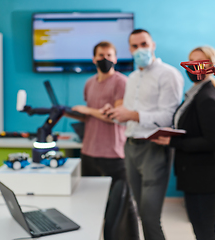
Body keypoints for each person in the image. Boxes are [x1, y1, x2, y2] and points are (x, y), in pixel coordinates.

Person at [104, 29, 184, 240]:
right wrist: (116, 114)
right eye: (135, 46)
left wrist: (134, 114)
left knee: (150, 217)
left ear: (153, 45)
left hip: (154, 148)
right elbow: (129, 113)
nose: (140, 49)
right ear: (129, 49)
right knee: (140, 213)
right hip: (131, 146)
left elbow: (169, 117)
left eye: (144, 44)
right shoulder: (132, 77)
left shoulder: (169, 74)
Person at [152, 46, 215, 240]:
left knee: (204, 231)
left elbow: (210, 142)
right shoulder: (196, 93)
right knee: (200, 228)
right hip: (195, 175)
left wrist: (173, 142)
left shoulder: (206, 98)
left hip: (205, 177)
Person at [66, 41, 140, 239]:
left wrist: (87, 110)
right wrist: (70, 113)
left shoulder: (121, 82)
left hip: (114, 154)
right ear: (94, 59)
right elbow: (89, 116)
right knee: (89, 203)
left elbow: (116, 116)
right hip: (89, 151)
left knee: (121, 206)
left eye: (109, 55)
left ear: (115, 58)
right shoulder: (89, 83)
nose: (105, 59)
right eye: (101, 55)